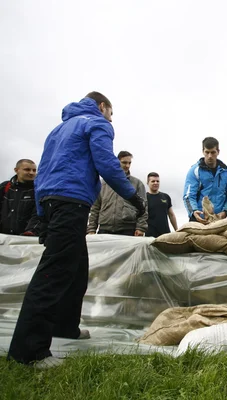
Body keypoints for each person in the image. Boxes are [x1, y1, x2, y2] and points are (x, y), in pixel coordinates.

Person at [7, 92, 145, 369]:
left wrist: (43, 215)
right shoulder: (98, 123)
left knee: (77, 268)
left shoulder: (59, 129)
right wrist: (132, 197)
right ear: (102, 106)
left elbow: (43, 172)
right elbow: (107, 164)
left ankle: (64, 326)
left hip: (53, 201)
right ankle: (29, 351)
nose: (111, 117)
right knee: (54, 272)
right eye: (111, 111)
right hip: (72, 203)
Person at [87, 151, 148, 236]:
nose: (127, 166)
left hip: (128, 230)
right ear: (117, 162)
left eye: (129, 163)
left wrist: (140, 228)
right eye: (124, 162)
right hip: (104, 229)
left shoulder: (137, 184)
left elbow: (144, 207)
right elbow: (95, 208)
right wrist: (91, 229)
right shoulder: (103, 184)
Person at [183, 137, 227, 224]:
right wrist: (194, 211)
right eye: (207, 152)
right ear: (203, 151)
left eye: (213, 152)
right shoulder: (195, 171)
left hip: (219, 219)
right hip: (199, 219)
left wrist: (225, 212)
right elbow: (188, 196)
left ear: (218, 152)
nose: (210, 156)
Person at [0, 159, 43, 235]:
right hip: (3, 238)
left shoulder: (38, 190)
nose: (31, 173)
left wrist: (31, 231)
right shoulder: (5, 187)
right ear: (16, 170)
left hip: (26, 240)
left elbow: (39, 214)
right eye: (27, 169)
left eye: (34, 170)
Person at [146, 172, 178, 237]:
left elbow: (171, 215)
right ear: (148, 183)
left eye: (157, 181)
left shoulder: (165, 197)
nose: (156, 183)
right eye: (153, 181)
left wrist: (177, 230)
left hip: (165, 234)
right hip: (149, 235)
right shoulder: (144, 197)